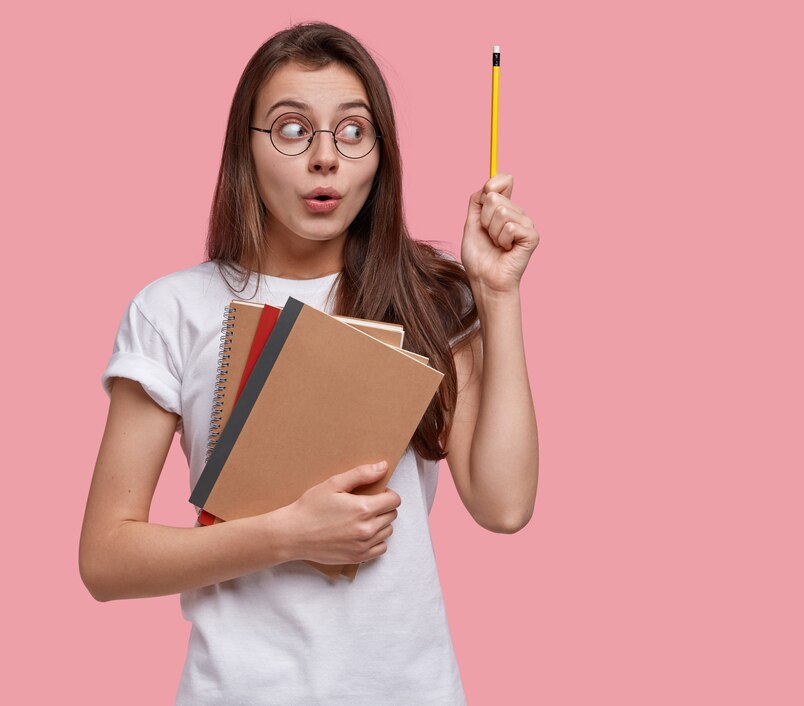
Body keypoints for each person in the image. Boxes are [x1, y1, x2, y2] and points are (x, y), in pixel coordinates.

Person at [78, 22, 539, 705]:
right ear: (246, 148)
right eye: (293, 131)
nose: (325, 159)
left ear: (380, 155)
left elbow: (504, 505)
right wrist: (286, 535)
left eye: (353, 132)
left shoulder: (431, 296)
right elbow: (105, 560)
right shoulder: (173, 309)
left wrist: (495, 294)